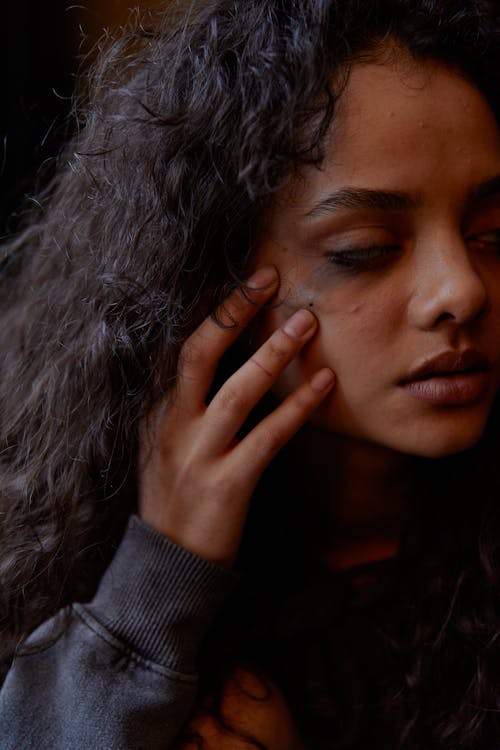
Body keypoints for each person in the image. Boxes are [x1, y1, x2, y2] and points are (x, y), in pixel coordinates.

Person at [1, 0, 500, 747]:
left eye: (493, 234)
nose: (461, 289)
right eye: (365, 248)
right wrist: (156, 588)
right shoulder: (66, 551)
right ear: (214, 283)